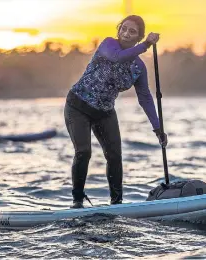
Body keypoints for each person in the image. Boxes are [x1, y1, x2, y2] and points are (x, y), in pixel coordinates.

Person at [64, 15, 168, 209]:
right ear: (118, 30)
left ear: (138, 37)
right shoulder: (108, 45)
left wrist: (157, 128)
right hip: (78, 106)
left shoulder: (138, 68)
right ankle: (77, 201)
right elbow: (117, 57)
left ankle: (116, 203)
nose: (126, 34)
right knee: (84, 151)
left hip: (104, 112)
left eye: (132, 32)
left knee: (114, 156)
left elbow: (145, 97)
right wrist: (146, 44)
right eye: (124, 29)